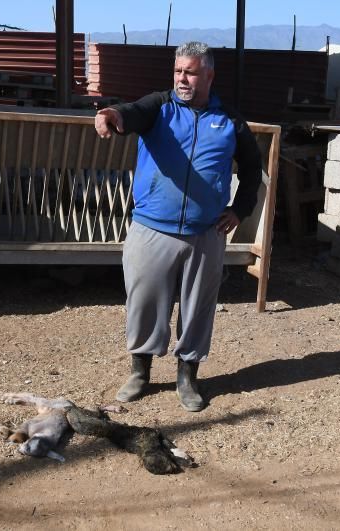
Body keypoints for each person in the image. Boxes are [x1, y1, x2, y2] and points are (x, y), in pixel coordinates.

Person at [93, 41, 263, 412]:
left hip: (205, 233)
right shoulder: (160, 108)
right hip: (152, 229)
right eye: (178, 71)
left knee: (198, 308)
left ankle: (188, 377)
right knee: (144, 303)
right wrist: (111, 114)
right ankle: (140, 372)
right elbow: (132, 113)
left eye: (190, 72)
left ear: (209, 75)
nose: (182, 79)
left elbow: (252, 168)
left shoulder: (229, 121)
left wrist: (240, 209)